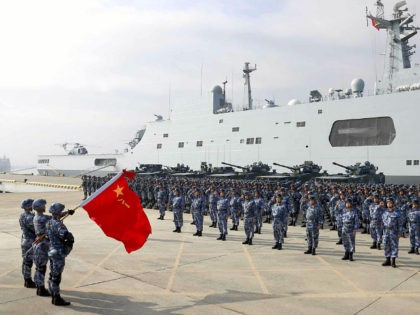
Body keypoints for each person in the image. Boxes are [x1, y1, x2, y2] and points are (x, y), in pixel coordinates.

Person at [46, 203, 74, 306]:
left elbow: (57, 216)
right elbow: (66, 236)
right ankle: (56, 298)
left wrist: (67, 213)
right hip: (58, 252)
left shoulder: (49, 222)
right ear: (57, 212)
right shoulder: (59, 224)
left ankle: (53, 292)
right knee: (57, 277)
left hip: (51, 250)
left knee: (52, 274)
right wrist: (70, 243)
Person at [19, 198, 36, 288]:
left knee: (26, 261)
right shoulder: (30, 217)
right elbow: (35, 228)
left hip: (25, 239)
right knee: (28, 262)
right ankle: (28, 280)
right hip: (30, 241)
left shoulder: (22, 215)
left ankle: (26, 279)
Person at [382, 198, 404, 268]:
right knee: (386, 245)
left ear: (393, 204)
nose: (389, 204)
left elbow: (400, 224)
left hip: (393, 232)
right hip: (386, 231)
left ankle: (393, 261)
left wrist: (399, 233)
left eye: (390, 203)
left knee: (394, 246)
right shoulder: (385, 212)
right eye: (388, 203)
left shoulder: (397, 213)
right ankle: (387, 260)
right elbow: (383, 222)